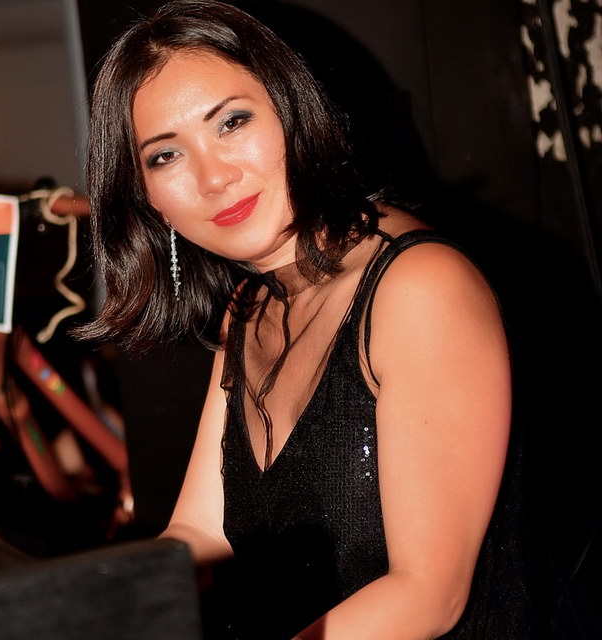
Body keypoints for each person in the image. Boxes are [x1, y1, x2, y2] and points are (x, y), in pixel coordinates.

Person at [81, 1, 540, 638]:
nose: (214, 177)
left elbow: (429, 593)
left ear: (291, 109)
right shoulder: (250, 308)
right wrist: (67, 607)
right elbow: (199, 531)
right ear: (147, 199)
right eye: (165, 156)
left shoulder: (419, 287)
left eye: (232, 122)